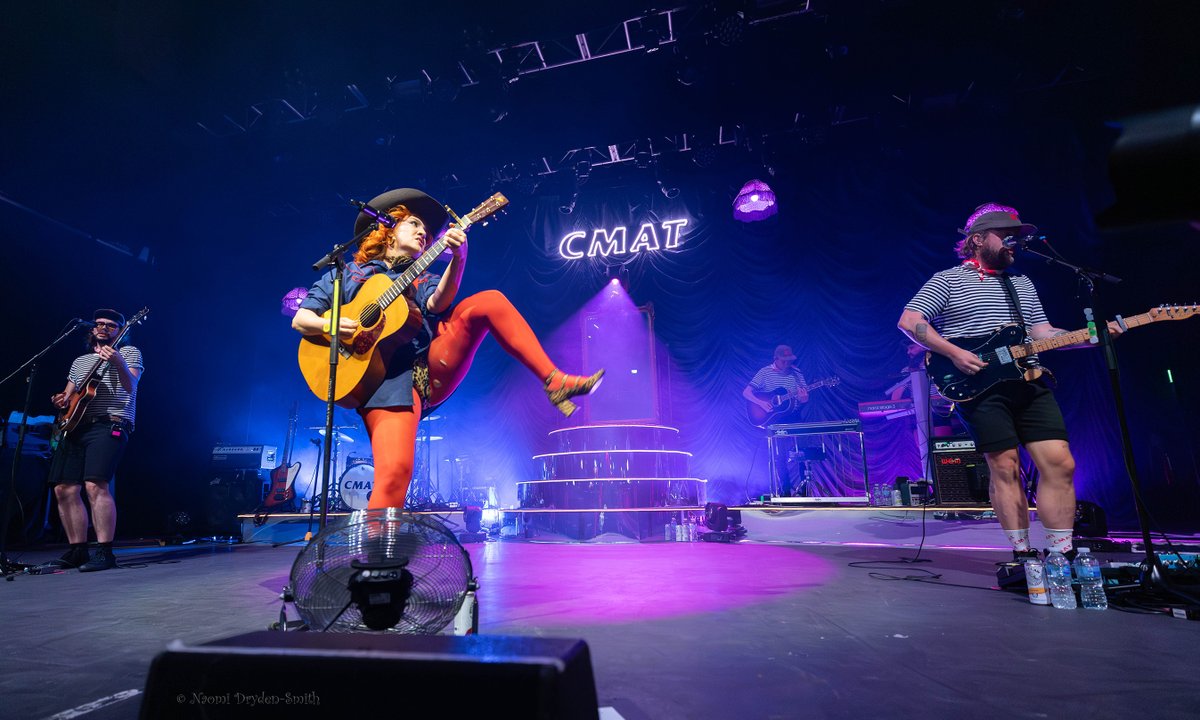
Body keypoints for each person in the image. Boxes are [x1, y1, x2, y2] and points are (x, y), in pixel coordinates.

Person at [292, 188, 603, 510]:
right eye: (413, 224)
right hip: (380, 382)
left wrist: (459, 257)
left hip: (427, 364)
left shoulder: (420, 276)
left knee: (489, 302)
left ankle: (554, 381)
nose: (422, 232)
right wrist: (330, 325)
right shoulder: (346, 275)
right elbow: (301, 319)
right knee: (393, 474)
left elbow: (438, 301)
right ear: (386, 230)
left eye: (426, 231)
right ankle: (377, 556)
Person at [898, 202, 1120, 560]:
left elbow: (1043, 332)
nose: (1013, 243)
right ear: (978, 239)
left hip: (1029, 380)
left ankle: (1062, 555)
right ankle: (1023, 555)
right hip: (980, 387)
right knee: (1005, 466)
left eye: (1016, 237)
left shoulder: (1021, 283)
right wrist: (955, 352)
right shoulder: (948, 279)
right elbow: (911, 321)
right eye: (1005, 236)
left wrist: (1089, 336)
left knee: (1061, 463)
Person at [47, 308, 144, 572]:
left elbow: (131, 386)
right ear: (92, 329)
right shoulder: (79, 362)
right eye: (99, 324)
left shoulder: (128, 352)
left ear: (120, 331)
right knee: (63, 489)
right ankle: (77, 550)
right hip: (76, 425)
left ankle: (104, 552)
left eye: (111, 325)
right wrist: (61, 400)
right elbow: (69, 395)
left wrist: (118, 363)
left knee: (94, 485)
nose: (103, 328)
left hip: (110, 422)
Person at [743, 345, 809, 496]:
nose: (787, 364)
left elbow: (805, 397)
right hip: (776, 419)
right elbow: (746, 392)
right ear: (776, 359)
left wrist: (804, 398)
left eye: (789, 361)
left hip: (794, 418)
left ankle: (805, 492)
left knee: (801, 453)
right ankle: (785, 492)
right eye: (784, 361)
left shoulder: (796, 373)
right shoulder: (765, 372)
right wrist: (761, 403)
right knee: (780, 456)